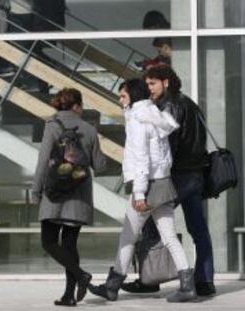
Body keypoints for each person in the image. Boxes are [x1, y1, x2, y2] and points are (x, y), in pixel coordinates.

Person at [88, 79, 197, 303]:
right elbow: (162, 156)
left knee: (127, 236)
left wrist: (139, 194)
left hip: (146, 187)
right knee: (169, 237)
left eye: (123, 96)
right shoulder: (154, 115)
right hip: (163, 183)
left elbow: (142, 159)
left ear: (134, 97)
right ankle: (187, 285)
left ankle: (112, 285)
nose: (119, 100)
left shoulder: (139, 119)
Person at [121, 64, 216, 297]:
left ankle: (150, 279)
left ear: (166, 82)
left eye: (152, 83)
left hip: (177, 176)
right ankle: (204, 281)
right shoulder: (191, 104)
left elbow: (165, 146)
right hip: (196, 175)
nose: (148, 88)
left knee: (152, 225)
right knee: (198, 230)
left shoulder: (169, 106)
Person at [32, 88, 106, 306]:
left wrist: (36, 191)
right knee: (69, 244)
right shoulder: (89, 129)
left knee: (48, 242)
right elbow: (100, 166)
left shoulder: (52, 125)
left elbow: (43, 161)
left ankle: (81, 276)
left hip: (55, 193)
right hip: (79, 195)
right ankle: (69, 295)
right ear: (76, 106)